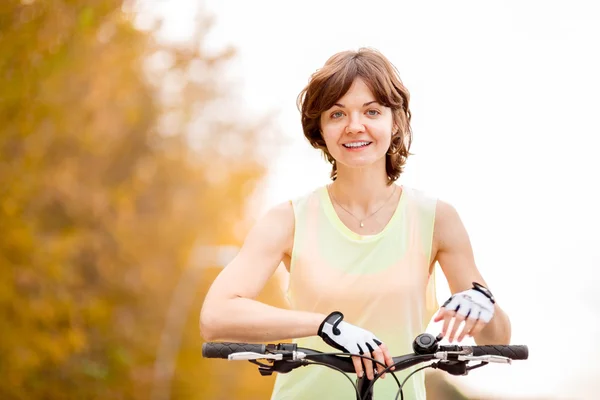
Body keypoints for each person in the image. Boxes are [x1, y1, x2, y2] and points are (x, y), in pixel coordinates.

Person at [199, 47, 511, 400]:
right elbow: (216, 316)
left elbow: (497, 340)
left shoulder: (436, 218)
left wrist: (484, 305)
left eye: (372, 111)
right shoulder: (288, 219)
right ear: (320, 128)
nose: (354, 126)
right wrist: (324, 326)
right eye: (337, 113)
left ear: (396, 122)